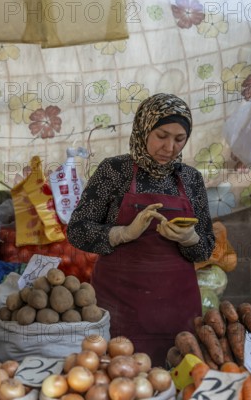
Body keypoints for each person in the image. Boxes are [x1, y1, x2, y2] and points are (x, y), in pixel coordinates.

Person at [67, 93, 215, 367]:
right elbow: (77, 230)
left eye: (179, 139)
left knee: (177, 378)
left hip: (176, 309)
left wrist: (191, 239)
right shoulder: (114, 171)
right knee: (116, 378)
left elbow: (206, 247)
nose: (170, 147)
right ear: (144, 128)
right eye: (161, 135)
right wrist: (121, 233)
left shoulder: (191, 179)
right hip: (119, 306)